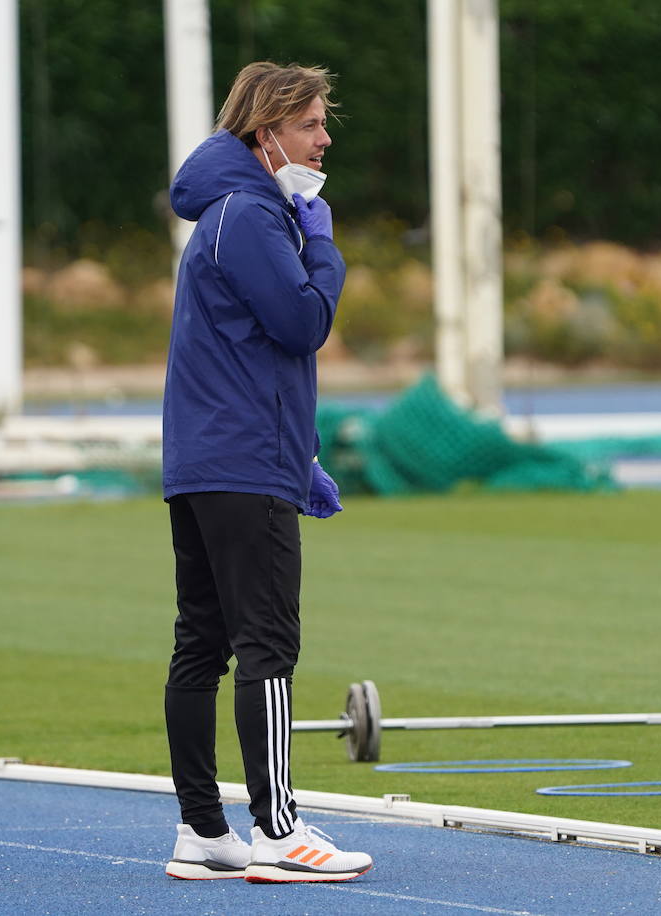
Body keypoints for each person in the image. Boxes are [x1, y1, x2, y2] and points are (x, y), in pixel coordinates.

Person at [159, 62, 373, 884]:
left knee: (201, 645)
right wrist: (322, 245)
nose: (324, 140)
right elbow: (301, 323)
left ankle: (203, 832)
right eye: (313, 124)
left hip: (212, 460)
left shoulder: (225, 212)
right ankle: (278, 829)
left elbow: (251, 355)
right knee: (267, 645)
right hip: (242, 464)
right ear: (268, 132)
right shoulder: (250, 213)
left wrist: (302, 455)